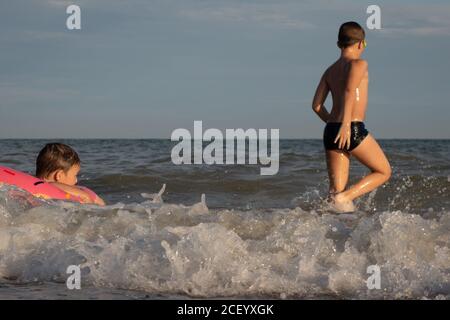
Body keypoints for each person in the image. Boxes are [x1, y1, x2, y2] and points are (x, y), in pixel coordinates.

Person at [312, 21, 391, 212]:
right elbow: (349, 90)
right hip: (352, 128)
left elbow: (316, 106)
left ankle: (336, 233)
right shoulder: (359, 64)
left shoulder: (330, 71)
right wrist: (346, 125)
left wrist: (336, 124)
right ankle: (346, 197)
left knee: (334, 194)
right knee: (383, 171)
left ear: (339, 44)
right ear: (360, 43)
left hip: (331, 130)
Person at [35, 143, 105, 206]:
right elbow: (52, 185)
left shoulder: (31, 185)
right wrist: (84, 195)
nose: (76, 180)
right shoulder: (49, 185)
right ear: (59, 175)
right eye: (75, 175)